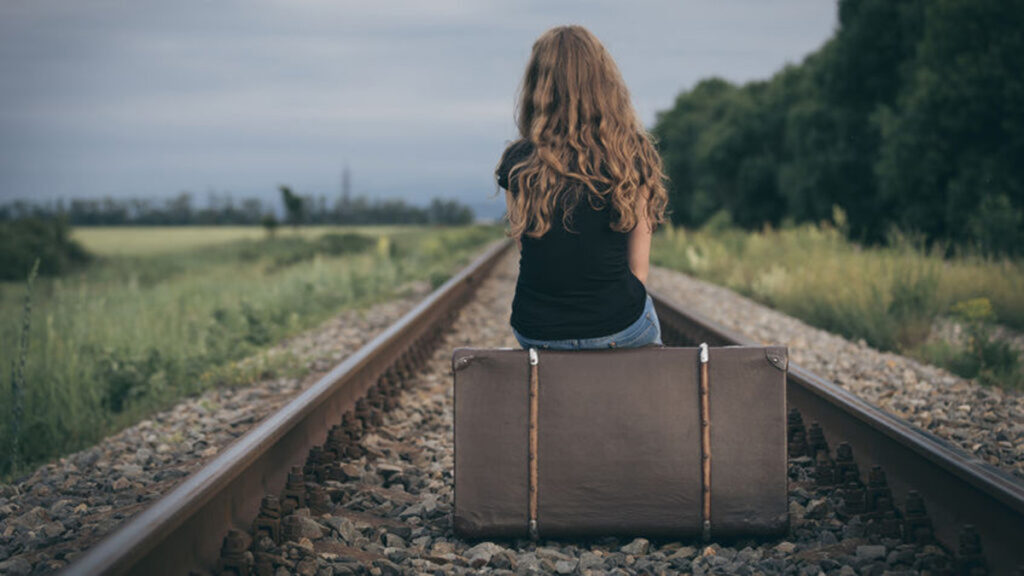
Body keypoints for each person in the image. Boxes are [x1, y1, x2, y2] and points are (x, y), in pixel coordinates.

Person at [495, 25, 670, 351]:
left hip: (536, 330)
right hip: (620, 327)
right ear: (604, 83)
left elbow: (534, 257)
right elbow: (639, 272)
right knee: (649, 327)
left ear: (538, 86)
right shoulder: (632, 155)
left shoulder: (519, 163)